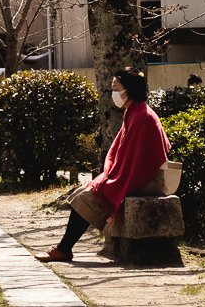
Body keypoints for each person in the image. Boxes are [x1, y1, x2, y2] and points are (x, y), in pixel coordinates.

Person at [36, 70, 170, 264]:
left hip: (148, 178)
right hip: (139, 173)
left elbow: (137, 161)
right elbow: (124, 153)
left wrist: (112, 180)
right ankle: (63, 248)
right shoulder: (134, 111)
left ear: (129, 90)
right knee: (83, 192)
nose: (113, 93)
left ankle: (64, 249)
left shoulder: (141, 116)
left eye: (116, 89)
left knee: (87, 197)